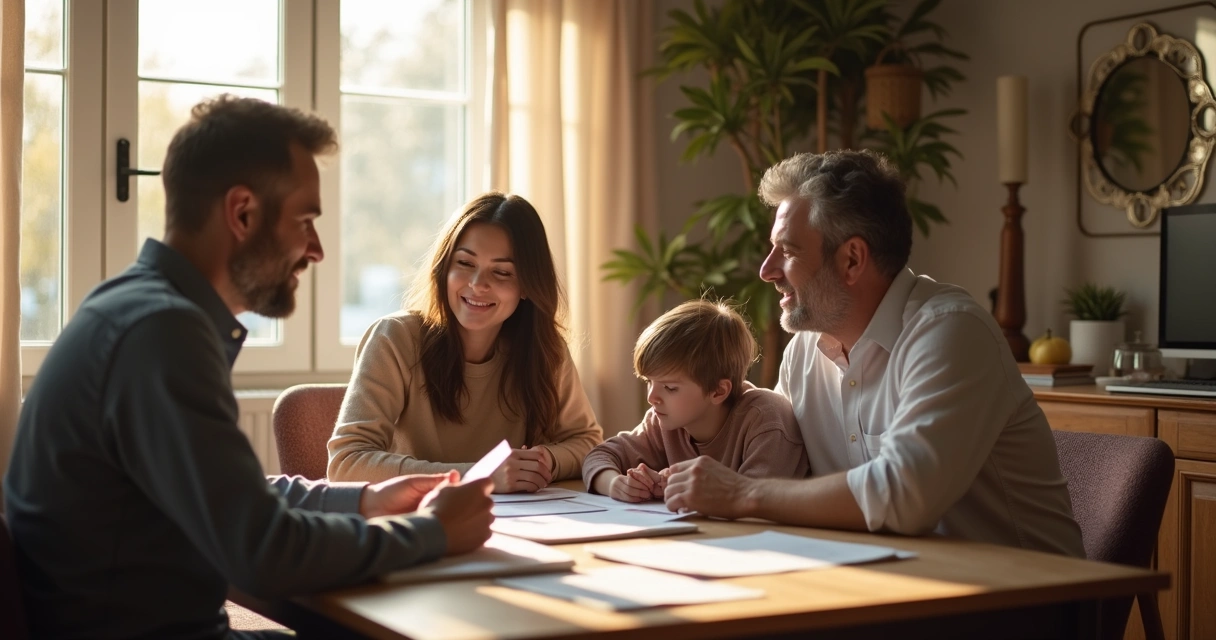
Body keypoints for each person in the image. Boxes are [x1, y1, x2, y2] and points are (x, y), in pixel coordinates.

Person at [3, 95, 495, 640]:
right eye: (305, 220)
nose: (317, 250)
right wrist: (431, 533)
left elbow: (230, 494)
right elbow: (263, 552)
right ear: (242, 213)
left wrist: (363, 500)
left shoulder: (133, 308)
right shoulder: (163, 334)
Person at [661, 150, 1085, 557]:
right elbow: (782, 466)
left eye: (787, 251)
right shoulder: (803, 353)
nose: (766, 270)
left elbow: (904, 496)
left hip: (1023, 603)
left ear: (852, 259)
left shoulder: (952, 331)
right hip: (891, 588)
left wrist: (740, 493)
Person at [327, 193, 604, 493]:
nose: (477, 284)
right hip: (419, 523)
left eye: (501, 272)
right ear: (444, 268)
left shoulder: (545, 350)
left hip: (518, 522)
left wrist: (543, 461)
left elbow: (588, 443)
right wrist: (478, 475)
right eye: (464, 263)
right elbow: (346, 463)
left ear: (527, 285)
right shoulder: (394, 339)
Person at [582, 299, 809, 502]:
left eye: (670, 388)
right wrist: (615, 484)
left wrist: (678, 487)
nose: (652, 397)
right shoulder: (663, 422)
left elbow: (757, 500)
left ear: (718, 391)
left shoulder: (766, 420)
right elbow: (600, 456)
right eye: (649, 382)